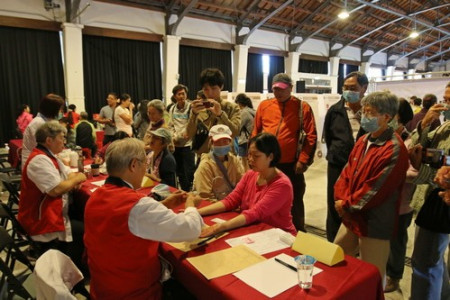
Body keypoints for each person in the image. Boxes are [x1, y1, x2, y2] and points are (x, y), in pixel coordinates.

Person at [84, 138, 203, 299]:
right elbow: (190, 229)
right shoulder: (137, 206)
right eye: (144, 165)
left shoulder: (95, 196)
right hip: (134, 293)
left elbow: (127, 222)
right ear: (134, 165)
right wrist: (190, 205)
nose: (145, 170)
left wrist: (163, 205)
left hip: (103, 288)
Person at [333, 91, 409, 284]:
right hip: (352, 216)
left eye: (371, 113)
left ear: (387, 117)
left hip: (375, 222)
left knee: (371, 276)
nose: (365, 116)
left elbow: (376, 189)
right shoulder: (364, 140)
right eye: (365, 111)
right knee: (335, 257)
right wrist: (340, 199)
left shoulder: (394, 148)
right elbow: (347, 173)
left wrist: (347, 204)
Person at [18, 121, 87, 273]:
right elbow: (56, 190)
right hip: (41, 219)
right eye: (62, 138)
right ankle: (72, 272)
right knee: (86, 229)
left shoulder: (50, 156)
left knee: (84, 218)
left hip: (52, 212)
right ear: (49, 140)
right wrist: (78, 178)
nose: (65, 141)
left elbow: (69, 172)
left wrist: (73, 179)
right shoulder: (39, 160)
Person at [252, 73, 317, 232]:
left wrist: (303, 160)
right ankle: (268, 231)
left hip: (291, 165)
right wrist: (253, 158)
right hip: (267, 163)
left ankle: (298, 233)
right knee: (266, 199)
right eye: (275, 89)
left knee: (294, 202)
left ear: (291, 88)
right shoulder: (264, 106)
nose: (278, 93)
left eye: (282, 89)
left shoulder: (302, 107)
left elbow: (311, 135)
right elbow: (255, 133)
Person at [198, 133, 296, 237]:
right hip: (255, 230)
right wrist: (198, 212)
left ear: (270, 156)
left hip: (279, 236)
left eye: (256, 156)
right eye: (249, 154)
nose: (250, 159)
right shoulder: (250, 174)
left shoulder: (282, 185)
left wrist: (220, 227)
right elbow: (230, 201)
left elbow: (255, 213)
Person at [408, 82, 450, 300]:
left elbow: (444, 177)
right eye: (445, 99)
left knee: (425, 262)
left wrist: (422, 171)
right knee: (434, 260)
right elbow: (416, 148)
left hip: (440, 202)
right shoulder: (445, 126)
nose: (445, 104)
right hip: (430, 198)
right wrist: (424, 125)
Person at [323, 71, 368, 242]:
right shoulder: (335, 111)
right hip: (338, 165)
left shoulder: (371, 111)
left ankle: (355, 245)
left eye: (353, 88)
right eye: (346, 88)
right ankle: (333, 243)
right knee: (335, 205)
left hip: (363, 169)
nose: (348, 91)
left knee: (357, 205)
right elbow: (328, 137)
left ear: (364, 88)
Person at [385, 98, 417, 293]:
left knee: (396, 241)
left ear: (401, 118)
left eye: (391, 114)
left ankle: (394, 277)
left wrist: (389, 174)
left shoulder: (410, 141)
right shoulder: (382, 137)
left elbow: (414, 173)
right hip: (381, 201)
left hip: (401, 203)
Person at [186, 68, 241, 155]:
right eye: (206, 89)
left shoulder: (231, 108)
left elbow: (235, 132)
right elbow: (188, 135)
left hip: (226, 157)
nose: (210, 93)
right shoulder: (198, 109)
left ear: (221, 86)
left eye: (213, 88)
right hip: (204, 157)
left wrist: (220, 115)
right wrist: (194, 114)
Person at [193, 124, 244, 200]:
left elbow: (242, 183)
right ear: (211, 142)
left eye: (225, 141)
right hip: (215, 206)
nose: (222, 145)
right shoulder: (205, 165)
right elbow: (204, 196)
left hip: (232, 203)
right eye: (218, 142)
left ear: (230, 142)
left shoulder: (234, 160)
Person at [22, 93, 65, 168]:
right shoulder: (39, 123)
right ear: (52, 110)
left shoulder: (46, 121)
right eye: (60, 109)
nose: (61, 112)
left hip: (40, 160)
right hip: (35, 164)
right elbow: (45, 147)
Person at [168, 84, 195, 191]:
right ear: (175, 96)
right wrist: (173, 137)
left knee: (187, 172)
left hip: (187, 145)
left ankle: (187, 192)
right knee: (178, 171)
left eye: (183, 94)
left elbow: (190, 125)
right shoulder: (172, 109)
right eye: (179, 94)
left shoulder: (191, 108)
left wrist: (179, 137)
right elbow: (170, 125)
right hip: (175, 145)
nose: (181, 96)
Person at [235, 93, 256, 170]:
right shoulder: (252, 111)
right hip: (251, 139)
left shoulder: (244, 112)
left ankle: (248, 180)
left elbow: (238, 127)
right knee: (251, 162)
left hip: (244, 141)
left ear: (239, 103)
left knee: (246, 165)